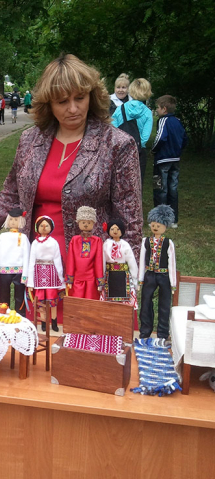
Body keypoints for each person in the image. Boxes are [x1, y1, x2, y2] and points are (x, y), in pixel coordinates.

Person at [0, 53, 142, 276]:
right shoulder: (30, 140)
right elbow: (9, 197)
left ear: (92, 96)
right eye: (62, 101)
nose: (73, 108)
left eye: (80, 98)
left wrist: (125, 279)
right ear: (48, 103)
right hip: (35, 267)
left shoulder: (117, 144)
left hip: (90, 271)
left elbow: (130, 220)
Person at [138, 205, 176, 340]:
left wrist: (173, 283)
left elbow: (172, 263)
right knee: (146, 302)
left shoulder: (168, 243)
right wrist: (140, 279)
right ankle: (145, 332)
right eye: (153, 225)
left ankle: (163, 334)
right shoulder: (146, 241)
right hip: (149, 275)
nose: (155, 227)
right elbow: (142, 260)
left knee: (164, 304)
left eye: (158, 225)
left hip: (164, 275)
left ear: (165, 227)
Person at [152, 95, 188, 228]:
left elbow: (160, 138)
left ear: (164, 109)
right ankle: (173, 220)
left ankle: (160, 220)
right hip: (175, 160)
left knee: (160, 189)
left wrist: (154, 150)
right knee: (173, 189)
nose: (157, 110)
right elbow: (185, 138)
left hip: (162, 160)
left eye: (158, 108)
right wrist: (178, 150)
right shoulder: (178, 121)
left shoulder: (163, 120)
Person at [111, 78, 153, 186]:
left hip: (122, 151)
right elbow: (145, 137)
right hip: (139, 152)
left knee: (120, 183)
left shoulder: (121, 109)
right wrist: (137, 146)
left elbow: (113, 129)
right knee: (137, 183)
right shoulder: (147, 112)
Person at [0, 207, 30, 317]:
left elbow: (27, 255)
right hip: (4, 270)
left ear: (21, 221)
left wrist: (26, 274)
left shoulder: (23, 237)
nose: (13, 222)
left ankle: (20, 315)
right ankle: (3, 314)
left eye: (16, 220)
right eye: (11, 219)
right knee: (3, 295)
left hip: (19, 271)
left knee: (19, 296)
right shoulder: (2, 237)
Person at [65, 206, 104, 300]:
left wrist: (99, 281)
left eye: (89, 222)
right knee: (77, 302)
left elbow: (98, 262)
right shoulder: (74, 240)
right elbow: (71, 260)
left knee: (90, 302)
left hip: (91, 280)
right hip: (77, 279)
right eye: (83, 222)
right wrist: (70, 279)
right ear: (78, 222)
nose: (86, 225)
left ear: (93, 223)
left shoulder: (97, 240)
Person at [102, 219, 138, 312]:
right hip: (109, 275)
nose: (115, 231)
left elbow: (131, 260)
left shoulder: (125, 245)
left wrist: (134, 277)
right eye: (112, 229)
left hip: (123, 276)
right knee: (109, 298)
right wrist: (101, 275)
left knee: (125, 298)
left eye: (117, 229)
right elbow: (102, 260)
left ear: (122, 231)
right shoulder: (106, 244)